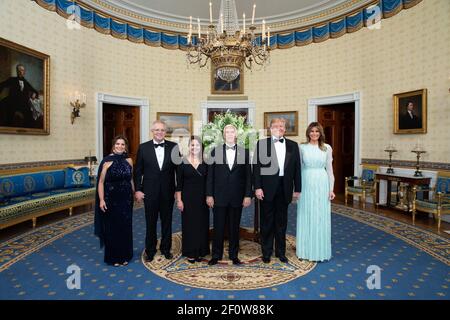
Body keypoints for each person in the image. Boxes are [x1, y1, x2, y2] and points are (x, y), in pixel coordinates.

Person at [253, 118, 301, 263]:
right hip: (266, 188)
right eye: (275, 126)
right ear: (270, 128)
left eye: (281, 126)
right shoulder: (261, 144)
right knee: (266, 222)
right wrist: (258, 187)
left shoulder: (293, 145)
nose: (279, 128)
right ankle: (266, 252)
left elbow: (297, 168)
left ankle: (281, 252)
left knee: (281, 222)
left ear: (285, 129)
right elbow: (256, 168)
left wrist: (297, 188)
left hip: (285, 188)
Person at [134, 120, 180, 262]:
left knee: (167, 222)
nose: (159, 132)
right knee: (150, 222)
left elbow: (179, 171)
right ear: (152, 131)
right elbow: (138, 171)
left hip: (168, 192)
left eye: (162, 130)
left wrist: (178, 190)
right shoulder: (143, 148)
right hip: (149, 192)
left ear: (166, 132)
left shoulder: (174, 147)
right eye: (156, 130)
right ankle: (150, 250)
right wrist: (138, 190)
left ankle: (166, 249)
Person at [206, 124, 252, 265]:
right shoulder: (214, 151)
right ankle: (216, 255)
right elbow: (210, 175)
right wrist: (209, 195)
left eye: (232, 131)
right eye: (227, 131)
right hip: (218, 196)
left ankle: (234, 255)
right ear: (223, 134)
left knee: (234, 228)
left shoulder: (244, 152)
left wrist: (247, 195)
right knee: (218, 227)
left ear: (236, 134)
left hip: (237, 196)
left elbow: (248, 176)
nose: (230, 133)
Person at [296, 122, 335, 262]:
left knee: (320, 215)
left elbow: (330, 170)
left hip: (322, 182)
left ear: (320, 133)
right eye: (312, 131)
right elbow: (298, 170)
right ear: (308, 133)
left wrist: (331, 188)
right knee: (306, 213)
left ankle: (320, 250)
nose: (314, 134)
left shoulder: (327, 148)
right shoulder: (302, 147)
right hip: (306, 182)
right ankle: (305, 250)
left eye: (317, 131)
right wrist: (297, 188)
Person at [94, 135, 134, 266]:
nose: (120, 146)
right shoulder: (106, 161)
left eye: (123, 144)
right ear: (113, 145)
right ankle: (114, 257)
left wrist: (135, 193)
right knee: (112, 228)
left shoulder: (129, 160)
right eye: (118, 144)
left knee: (125, 227)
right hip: (111, 199)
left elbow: (131, 179)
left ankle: (125, 255)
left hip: (126, 199)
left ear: (125, 147)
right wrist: (101, 200)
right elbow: (100, 182)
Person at [175, 136, 210, 263]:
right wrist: (179, 200)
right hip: (187, 198)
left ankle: (201, 251)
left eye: (197, 145)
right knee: (189, 225)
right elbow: (179, 184)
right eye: (192, 145)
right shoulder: (182, 162)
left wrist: (209, 196)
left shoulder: (206, 162)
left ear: (201, 147)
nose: (194, 147)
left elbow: (209, 181)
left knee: (202, 224)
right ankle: (190, 251)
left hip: (202, 198)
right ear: (189, 146)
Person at [0, 64, 40, 128]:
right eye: (20, 70)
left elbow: (34, 90)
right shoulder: (12, 80)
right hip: (13, 101)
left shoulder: (25, 82)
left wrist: (34, 94)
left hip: (23, 102)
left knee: (30, 115)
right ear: (17, 71)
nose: (22, 72)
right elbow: (2, 84)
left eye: (23, 70)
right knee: (4, 107)